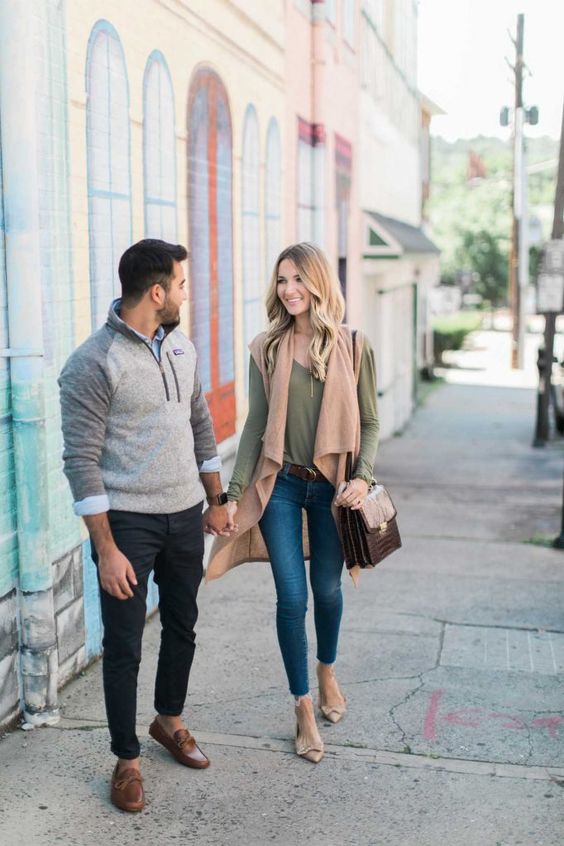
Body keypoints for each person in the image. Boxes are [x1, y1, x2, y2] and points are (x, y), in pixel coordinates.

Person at [58, 239, 233, 812]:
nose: (185, 293)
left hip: (185, 515)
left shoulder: (181, 348)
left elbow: (200, 423)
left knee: (183, 625)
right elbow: (81, 460)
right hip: (127, 524)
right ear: (156, 293)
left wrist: (216, 497)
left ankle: (169, 720)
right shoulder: (92, 362)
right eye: (181, 285)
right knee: (125, 646)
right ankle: (127, 759)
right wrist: (105, 548)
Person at [205, 242, 379, 763]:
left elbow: (369, 422)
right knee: (291, 599)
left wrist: (363, 478)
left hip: (332, 488)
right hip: (280, 484)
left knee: (326, 590)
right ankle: (302, 706)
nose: (290, 290)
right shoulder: (267, 346)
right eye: (282, 280)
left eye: (299, 279)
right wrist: (233, 495)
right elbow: (255, 427)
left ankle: (327, 668)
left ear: (319, 283)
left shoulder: (353, 344)